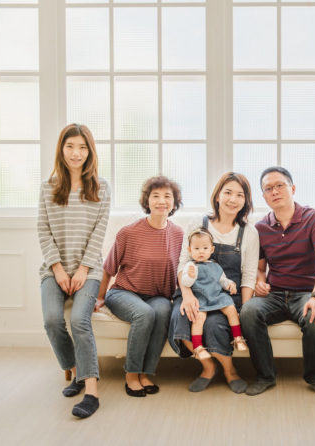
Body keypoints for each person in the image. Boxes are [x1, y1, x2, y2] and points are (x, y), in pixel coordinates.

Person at [240, 166, 315, 397]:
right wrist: (260, 282)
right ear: (263, 196)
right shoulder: (261, 228)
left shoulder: (313, 218)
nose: (274, 191)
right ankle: (265, 375)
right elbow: (260, 269)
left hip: (307, 293)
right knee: (248, 311)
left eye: (279, 185)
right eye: (268, 189)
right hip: (274, 294)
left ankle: (314, 376)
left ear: (292, 189)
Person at [38, 123, 110, 419]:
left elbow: (99, 233)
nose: (76, 153)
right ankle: (76, 369)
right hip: (54, 267)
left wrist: (82, 270)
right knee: (52, 320)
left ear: (90, 151)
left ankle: (91, 391)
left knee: (80, 320)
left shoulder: (101, 188)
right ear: (61, 149)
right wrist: (57, 269)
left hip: (88, 270)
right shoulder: (48, 187)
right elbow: (43, 230)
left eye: (82, 147)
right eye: (70, 146)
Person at [169, 172, 259, 394]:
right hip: (193, 291)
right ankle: (208, 368)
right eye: (228, 192)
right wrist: (187, 295)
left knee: (213, 325)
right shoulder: (197, 223)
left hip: (225, 295)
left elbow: (248, 275)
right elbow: (182, 263)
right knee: (181, 318)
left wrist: (245, 309)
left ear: (246, 200)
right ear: (218, 195)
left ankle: (230, 371)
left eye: (240, 195)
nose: (233, 199)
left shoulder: (249, 232)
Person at [94, 176, 184, 397]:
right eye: (155, 196)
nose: (161, 201)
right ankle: (132, 374)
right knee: (144, 314)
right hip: (124, 292)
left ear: (174, 202)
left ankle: (146, 373)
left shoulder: (178, 234)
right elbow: (108, 268)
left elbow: (183, 269)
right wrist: (100, 297)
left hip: (158, 296)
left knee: (162, 311)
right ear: (147, 201)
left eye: (167, 196)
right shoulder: (129, 232)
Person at [180, 227, 248, 360]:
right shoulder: (190, 266)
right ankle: (198, 347)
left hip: (217, 296)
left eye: (205, 248)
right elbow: (186, 283)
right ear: (189, 250)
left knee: (231, 309)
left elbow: (222, 280)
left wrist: (229, 284)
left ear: (212, 250)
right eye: (196, 248)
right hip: (201, 297)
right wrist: (190, 276)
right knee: (198, 318)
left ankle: (238, 338)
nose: (201, 251)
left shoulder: (215, 265)